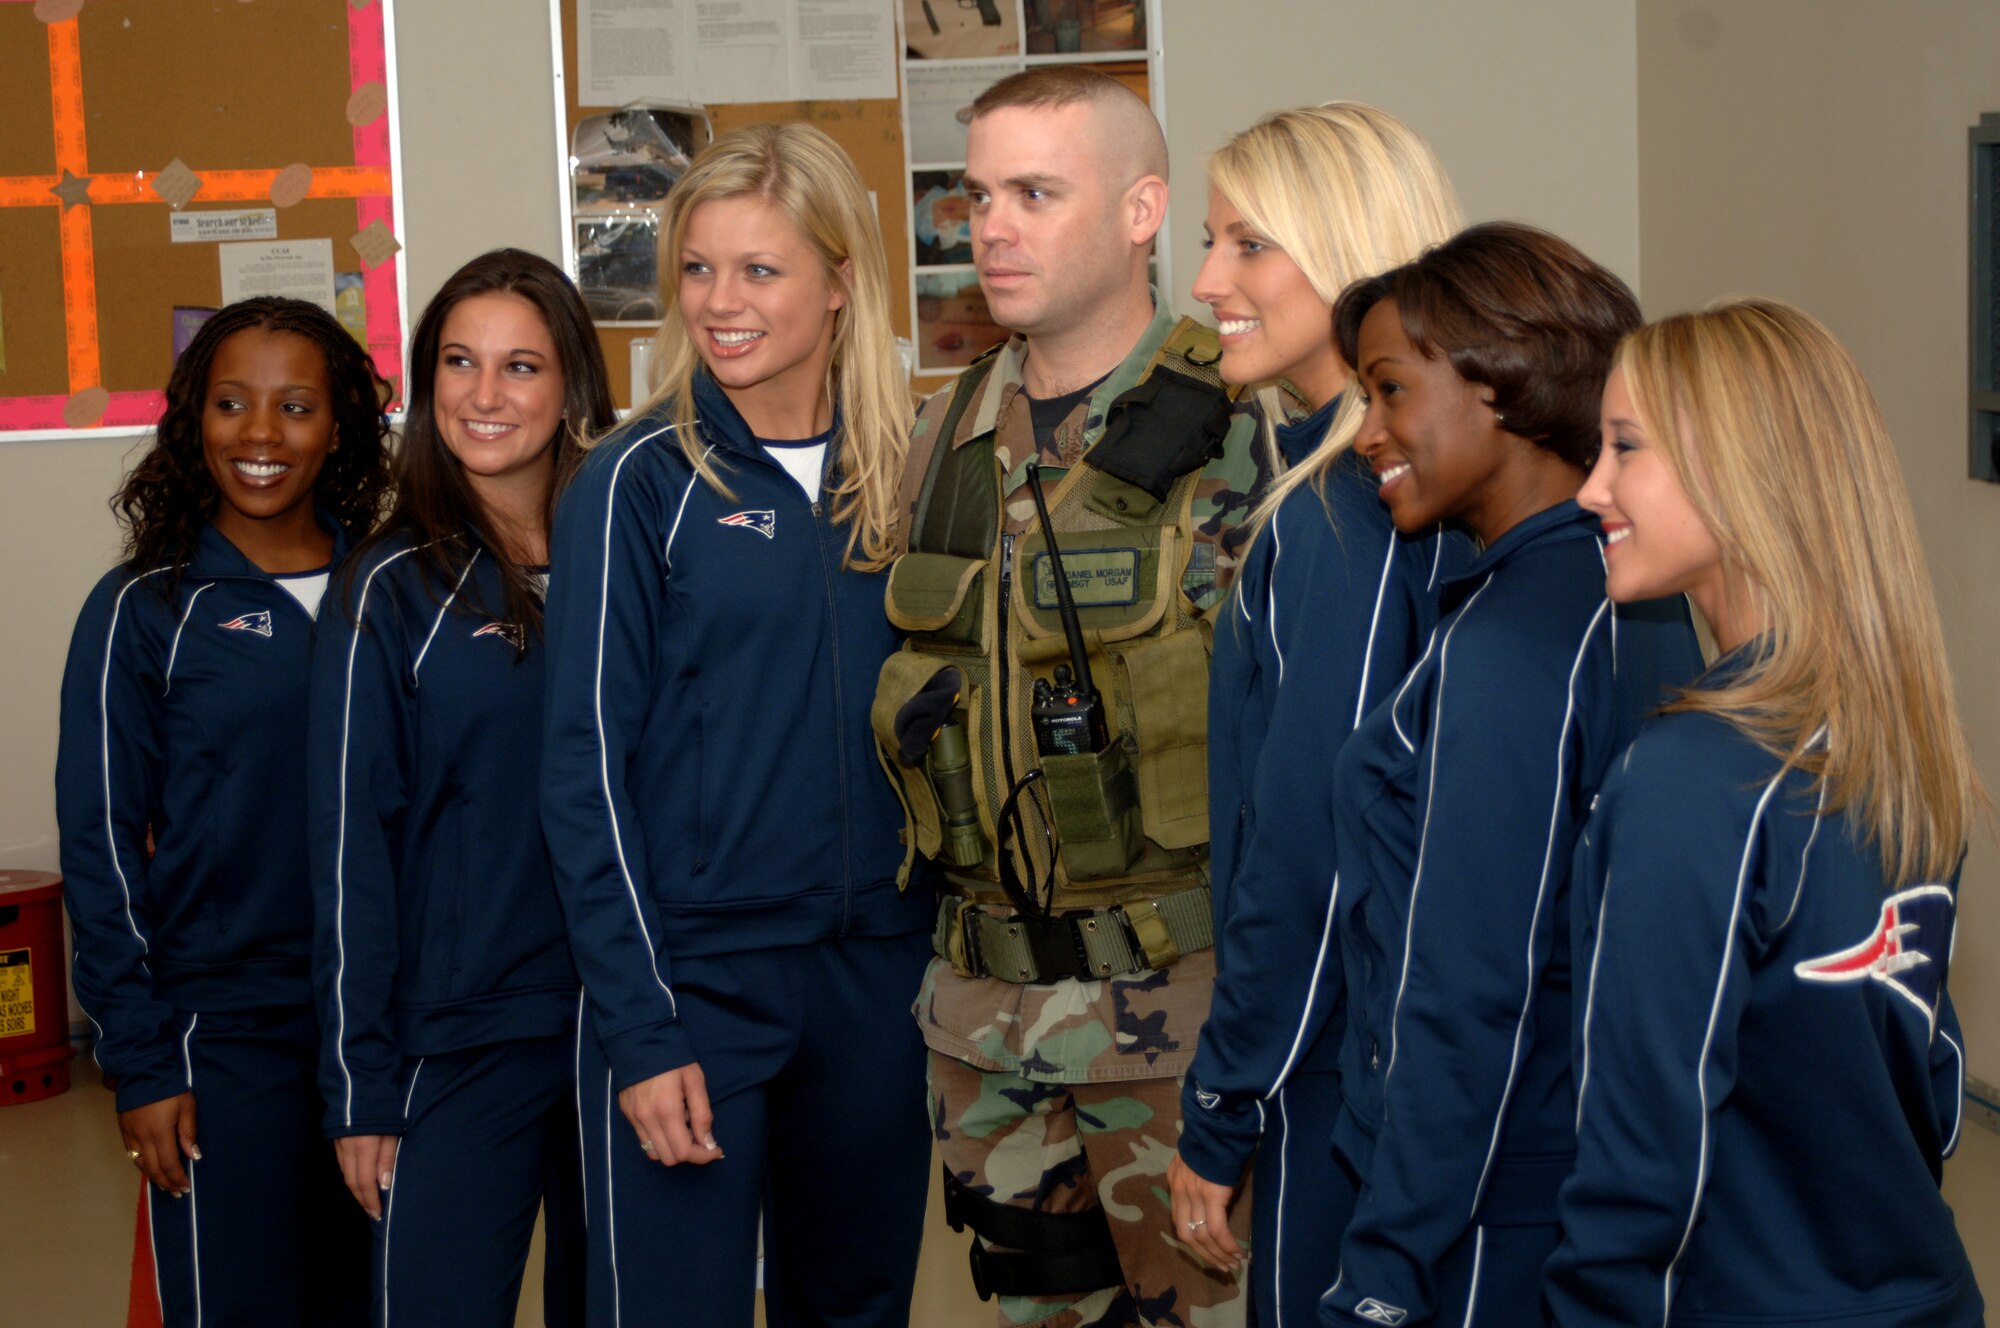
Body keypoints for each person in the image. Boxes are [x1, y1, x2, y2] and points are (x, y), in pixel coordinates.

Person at [877, 67, 1263, 1328]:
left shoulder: (1243, 428)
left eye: (1034, 193)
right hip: (981, 1029)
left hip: (1179, 1027)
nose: (988, 227)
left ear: (1143, 209)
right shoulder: (945, 437)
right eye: (974, 194)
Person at [540, 123, 937, 1328]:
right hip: (692, 984)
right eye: (699, 268)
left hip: (876, 978)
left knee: (856, 1304)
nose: (719, 302)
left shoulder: (910, 471)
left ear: (838, 282)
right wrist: (642, 1025)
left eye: (758, 271)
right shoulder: (637, 480)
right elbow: (582, 771)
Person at [1548, 299, 1986, 1327]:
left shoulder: (1688, 778)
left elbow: (1642, 1160)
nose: (1588, 490)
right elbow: (1930, 1084)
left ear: (1737, 473)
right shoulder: (1902, 738)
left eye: (1622, 449)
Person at [1315, 223, 1703, 1328]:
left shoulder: (1513, 639)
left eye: (1388, 391)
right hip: (1561, 1168)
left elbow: (1468, 981)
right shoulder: (1624, 592)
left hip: (1482, 1201)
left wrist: (1386, 1264)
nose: (1366, 433)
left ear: (1501, 383)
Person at [1164, 102, 1471, 1327]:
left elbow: (1310, 846)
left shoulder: (1337, 512)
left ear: (1348, 254)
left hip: (1338, 1069)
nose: (1204, 282)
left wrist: (1226, 1102)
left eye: (1248, 246)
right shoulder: (1418, 480)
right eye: (1207, 242)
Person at [55, 297, 391, 1327]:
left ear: (338, 426)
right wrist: (142, 1060)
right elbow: (100, 844)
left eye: (295, 406)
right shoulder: (143, 606)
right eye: (231, 402)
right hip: (220, 1039)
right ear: (192, 417)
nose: (259, 433)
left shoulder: (390, 590)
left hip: (378, 1035)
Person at [307, 249, 614, 1327]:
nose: (485, 396)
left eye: (520, 365)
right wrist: (360, 1086)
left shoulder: (624, 559)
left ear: (572, 385)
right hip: (457, 1041)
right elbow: (346, 845)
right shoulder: (390, 585)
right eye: (458, 362)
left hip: (620, 1034)